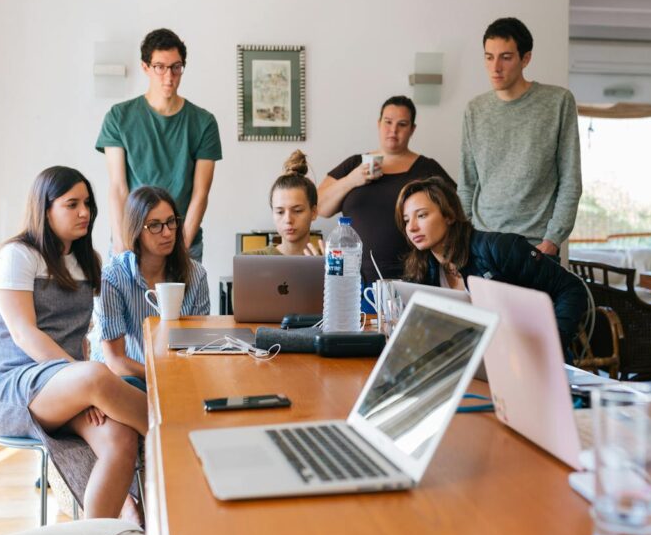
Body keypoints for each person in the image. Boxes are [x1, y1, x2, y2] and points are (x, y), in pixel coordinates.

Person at [0, 166, 146, 520]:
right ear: (45, 208)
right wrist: (84, 381)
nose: (85, 212)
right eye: (72, 204)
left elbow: (81, 336)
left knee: (120, 440)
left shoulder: (87, 262)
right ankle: (182, 439)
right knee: (98, 376)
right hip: (12, 388)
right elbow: (25, 334)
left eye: (87, 203)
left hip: (69, 388)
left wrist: (84, 384)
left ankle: (98, 531)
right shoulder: (16, 256)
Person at [396, 177, 587, 352]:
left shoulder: (499, 248)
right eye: (406, 220)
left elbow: (572, 288)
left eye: (421, 215)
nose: (411, 227)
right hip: (477, 361)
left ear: (449, 216)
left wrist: (551, 344)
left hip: (528, 358)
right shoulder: (423, 269)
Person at [459, 17, 581, 258]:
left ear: (525, 58)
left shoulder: (557, 102)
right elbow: (467, 184)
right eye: (488, 57)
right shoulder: (475, 109)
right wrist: (463, 239)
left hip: (536, 246)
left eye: (506, 57)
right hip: (482, 243)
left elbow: (570, 180)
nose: (495, 67)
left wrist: (552, 240)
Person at [97, 28, 222, 260]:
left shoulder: (204, 123)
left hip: (183, 241)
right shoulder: (119, 117)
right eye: (160, 67)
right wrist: (122, 244)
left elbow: (200, 193)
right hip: (132, 240)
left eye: (176, 67)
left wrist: (181, 249)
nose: (169, 76)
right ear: (146, 67)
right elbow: (118, 187)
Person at [318, 95, 454, 283]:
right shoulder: (354, 164)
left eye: (402, 124)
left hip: (414, 276)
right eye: (388, 122)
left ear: (412, 129)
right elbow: (320, 207)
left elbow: (455, 213)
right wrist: (351, 180)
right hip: (353, 279)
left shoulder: (427, 168)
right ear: (378, 123)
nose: (393, 130)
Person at [91, 186, 210, 391]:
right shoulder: (112, 277)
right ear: (136, 230)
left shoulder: (196, 274)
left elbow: (198, 346)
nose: (166, 233)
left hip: (178, 376)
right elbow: (116, 361)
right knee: (132, 386)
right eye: (154, 225)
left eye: (171, 222)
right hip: (126, 379)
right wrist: (162, 375)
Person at [246, 150, 323, 256]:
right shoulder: (250, 260)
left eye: (297, 211)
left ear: (313, 212)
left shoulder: (327, 261)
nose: (288, 220)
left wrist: (325, 270)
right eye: (280, 212)